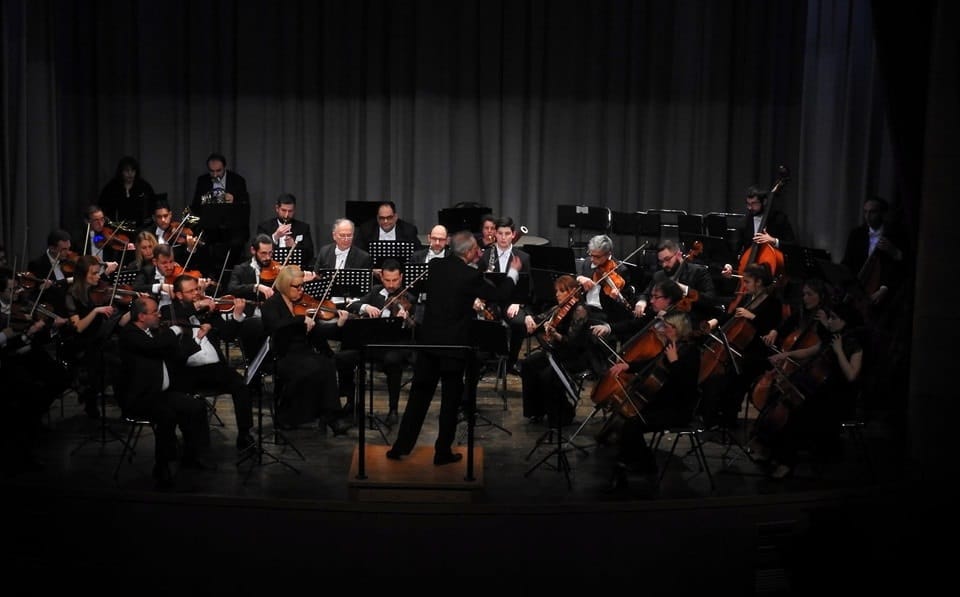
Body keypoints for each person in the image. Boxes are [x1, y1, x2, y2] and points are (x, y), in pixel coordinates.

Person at [386, 230, 521, 465]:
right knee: (450, 401)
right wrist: (513, 272)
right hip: (454, 347)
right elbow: (500, 294)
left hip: (429, 343)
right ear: (468, 252)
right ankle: (442, 452)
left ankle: (400, 447)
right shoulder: (470, 275)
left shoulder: (435, 266)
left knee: (418, 397)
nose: (478, 253)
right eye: (476, 250)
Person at [749, 297, 864, 480]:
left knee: (796, 415)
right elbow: (809, 352)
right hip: (819, 391)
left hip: (837, 397)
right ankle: (768, 449)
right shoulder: (831, 338)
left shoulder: (854, 345)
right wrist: (785, 355)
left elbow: (851, 375)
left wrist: (839, 351)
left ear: (845, 321)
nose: (829, 321)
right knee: (778, 399)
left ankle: (787, 463)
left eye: (834, 318)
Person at [117, 297, 213, 490]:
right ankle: (162, 466)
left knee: (196, 406)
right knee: (167, 414)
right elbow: (152, 347)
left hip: (160, 394)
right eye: (155, 312)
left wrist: (197, 338)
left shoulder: (154, 333)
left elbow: (177, 356)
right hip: (141, 397)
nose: (159, 315)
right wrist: (173, 331)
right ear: (141, 316)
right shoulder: (130, 334)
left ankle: (191, 455)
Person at [606, 310, 701, 491]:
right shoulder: (670, 346)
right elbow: (650, 364)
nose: (664, 330)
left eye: (668, 327)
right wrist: (628, 366)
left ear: (678, 329)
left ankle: (641, 464)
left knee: (633, 424)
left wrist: (674, 362)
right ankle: (637, 462)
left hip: (678, 409)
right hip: (662, 403)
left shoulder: (691, 352)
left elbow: (686, 386)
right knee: (626, 418)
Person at [162, 274, 255, 453]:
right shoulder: (169, 310)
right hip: (187, 370)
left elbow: (227, 335)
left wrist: (237, 316)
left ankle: (244, 434)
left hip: (214, 367)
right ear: (179, 295)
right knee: (184, 398)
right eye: (190, 291)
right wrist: (197, 306)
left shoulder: (208, 310)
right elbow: (176, 318)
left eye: (197, 289)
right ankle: (190, 443)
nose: (196, 294)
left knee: (241, 386)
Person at [260, 265, 354, 435]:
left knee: (327, 363)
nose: (301, 290)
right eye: (297, 287)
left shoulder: (301, 304)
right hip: (282, 354)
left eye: (302, 286)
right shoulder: (271, 304)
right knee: (315, 367)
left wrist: (338, 325)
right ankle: (291, 415)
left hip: (303, 353)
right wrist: (300, 320)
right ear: (285, 285)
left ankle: (330, 416)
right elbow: (275, 326)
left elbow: (318, 331)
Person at [699, 263, 783, 429]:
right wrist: (712, 323)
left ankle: (727, 419)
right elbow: (731, 316)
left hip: (756, 352)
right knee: (721, 376)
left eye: (748, 282)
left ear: (759, 282)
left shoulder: (773, 303)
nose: (744, 285)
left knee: (734, 377)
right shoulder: (747, 298)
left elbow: (771, 328)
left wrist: (752, 317)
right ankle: (712, 416)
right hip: (738, 349)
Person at [519, 274, 599, 425]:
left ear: (573, 291)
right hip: (557, 352)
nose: (557, 294)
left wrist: (555, 334)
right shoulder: (559, 307)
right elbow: (539, 318)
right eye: (556, 291)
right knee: (528, 364)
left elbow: (573, 342)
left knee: (548, 375)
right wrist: (529, 318)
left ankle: (562, 414)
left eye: (561, 291)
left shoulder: (580, 310)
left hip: (575, 356)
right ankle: (536, 411)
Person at [345, 258, 417, 424]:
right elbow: (352, 306)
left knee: (393, 361)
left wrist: (405, 320)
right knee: (345, 356)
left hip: (396, 345)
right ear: (381, 277)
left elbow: (415, 327)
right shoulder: (375, 292)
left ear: (401, 277)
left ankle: (393, 409)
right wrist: (366, 307)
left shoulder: (409, 297)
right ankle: (351, 403)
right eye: (387, 280)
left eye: (395, 280)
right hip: (374, 343)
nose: (391, 285)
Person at [840, 196, 909, 323]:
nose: (867, 216)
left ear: (882, 214)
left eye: (872, 212)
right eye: (865, 212)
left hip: (885, 292)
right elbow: (847, 262)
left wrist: (894, 252)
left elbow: (901, 267)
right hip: (859, 289)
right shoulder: (856, 234)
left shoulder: (895, 234)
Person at [479, 217, 532, 374]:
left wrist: (518, 303)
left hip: (512, 302)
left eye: (507, 234)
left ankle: (511, 361)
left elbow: (528, 287)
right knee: (483, 320)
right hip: (491, 301)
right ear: (495, 234)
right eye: (500, 233)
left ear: (513, 234)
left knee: (519, 323)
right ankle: (487, 359)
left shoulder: (523, 257)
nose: (503, 237)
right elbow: (478, 283)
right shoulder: (486, 256)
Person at [634, 239, 718, 328]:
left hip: (690, 324)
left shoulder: (698, 272)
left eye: (667, 259)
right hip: (663, 324)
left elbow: (710, 299)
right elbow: (646, 294)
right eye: (661, 261)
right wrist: (642, 301)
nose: (664, 265)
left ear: (678, 254)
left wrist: (686, 290)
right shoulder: (659, 275)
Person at [190, 152, 251, 271]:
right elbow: (195, 205)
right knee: (200, 244)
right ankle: (207, 275)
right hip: (209, 227)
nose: (215, 174)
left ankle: (229, 275)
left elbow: (245, 206)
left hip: (232, 228)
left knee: (236, 244)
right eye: (212, 171)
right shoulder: (202, 181)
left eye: (218, 171)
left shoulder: (237, 180)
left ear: (224, 168)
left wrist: (234, 200)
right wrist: (191, 228)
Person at [721, 184, 796, 279]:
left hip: (771, 274)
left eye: (754, 203)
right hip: (749, 270)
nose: (750, 207)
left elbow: (792, 245)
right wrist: (729, 265)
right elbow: (735, 250)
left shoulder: (779, 219)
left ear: (764, 202)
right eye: (748, 204)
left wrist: (773, 240)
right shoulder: (744, 222)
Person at [575, 234, 634, 325]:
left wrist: (615, 299)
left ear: (608, 254)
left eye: (597, 257)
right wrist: (579, 278)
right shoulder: (587, 262)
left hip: (604, 313)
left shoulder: (620, 270)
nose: (592, 259)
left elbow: (623, 306)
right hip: (585, 307)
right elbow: (576, 281)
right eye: (591, 254)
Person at [256, 193, 315, 268]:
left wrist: (294, 246)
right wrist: (275, 237)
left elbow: (310, 254)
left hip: (295, 270)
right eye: (283, 210)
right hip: (270, 269)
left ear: (294, 210)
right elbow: (258, 251)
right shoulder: (264, 227)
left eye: (290, 211)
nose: (286, 215)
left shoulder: (303, 227)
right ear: (277, 208)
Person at [97, 155, 156, 228]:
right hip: (116, 228)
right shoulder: (111, 188)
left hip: (140, 228)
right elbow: (102, 208)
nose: (130, 174)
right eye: (127, 170)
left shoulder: (144, 187)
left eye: (133, 170)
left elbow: (152, 208)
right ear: (121, 172)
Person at [147, 197, 200, 265]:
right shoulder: (148, 234)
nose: (163, 220)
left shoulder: (179, 230)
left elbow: (189, 262)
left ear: (170, 214)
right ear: (154, 218)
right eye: (159, 217)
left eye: (165, 216)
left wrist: (190, 248)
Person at [355, 201, 420, 253]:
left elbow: (418, 254)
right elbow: (358, 254)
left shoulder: (408, 230)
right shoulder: (366, 230)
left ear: (395, 217)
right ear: (377, 218)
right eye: (382, 218)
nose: (385, 221)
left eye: (389, 217)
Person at [79, 205, 125, 273]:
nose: (100, 223)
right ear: (87, 221)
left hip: (106, 274)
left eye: (102, 219)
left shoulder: (107, 236)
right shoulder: (81, 239)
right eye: (96, 220)